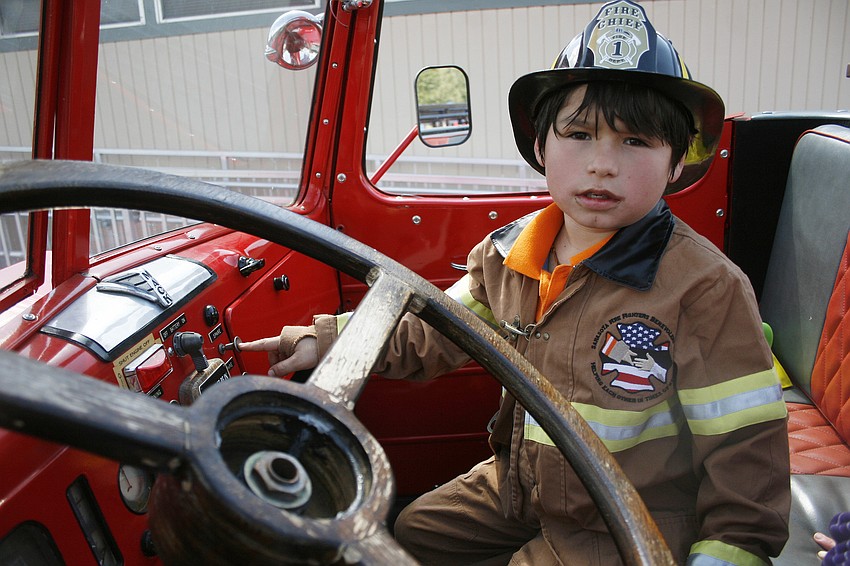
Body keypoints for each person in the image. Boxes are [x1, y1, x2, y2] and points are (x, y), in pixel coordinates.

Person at [241, 1, 791, 563]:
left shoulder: (704, 286)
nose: (602, 163)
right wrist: (326, 341)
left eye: (636, 142)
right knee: (407, 532)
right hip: (520, 485)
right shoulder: (507, 255)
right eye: (578, 134)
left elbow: (744, 443)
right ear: (539, 147)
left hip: (626, 510)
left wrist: (731, 549)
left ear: (677, 164)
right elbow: (433, 331)